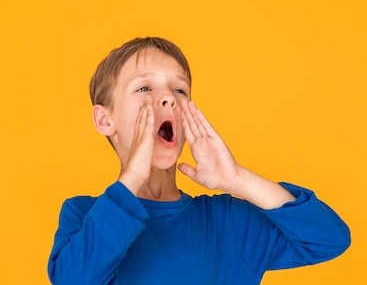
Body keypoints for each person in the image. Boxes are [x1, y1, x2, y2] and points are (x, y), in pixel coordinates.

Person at [48, 37, 350, 284]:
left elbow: (328, 239)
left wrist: (236, 180)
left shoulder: (228, 223)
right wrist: (130, 180)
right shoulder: (84, 214)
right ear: (104, 120)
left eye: (179, 90)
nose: (168, 98)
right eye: (144, 88)